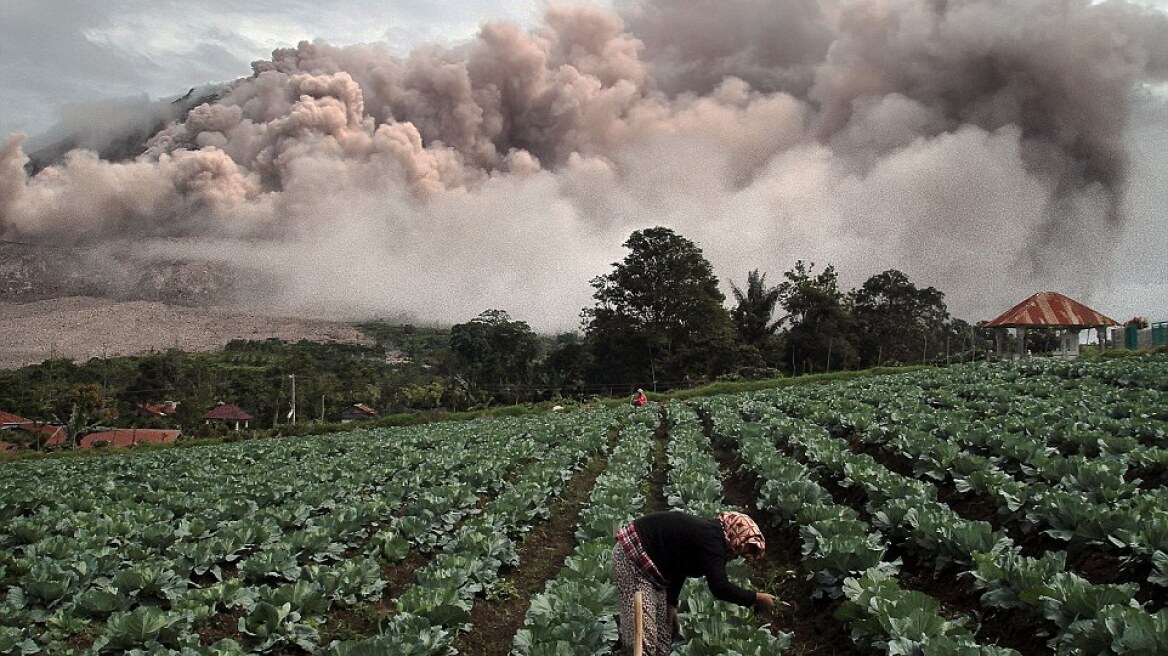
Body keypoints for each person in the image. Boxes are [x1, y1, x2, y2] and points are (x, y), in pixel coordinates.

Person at [612, 510, 776, 655]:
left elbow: (680, 564)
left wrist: (671, 603)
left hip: (655, 569)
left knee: (663, 634)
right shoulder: (712, 542)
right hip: (632, 556)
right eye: (741, 551)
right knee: (643, 637)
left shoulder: (710, 537)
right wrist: (756, 598)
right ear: (735, 537)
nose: (737, 556)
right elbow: (719, 587)